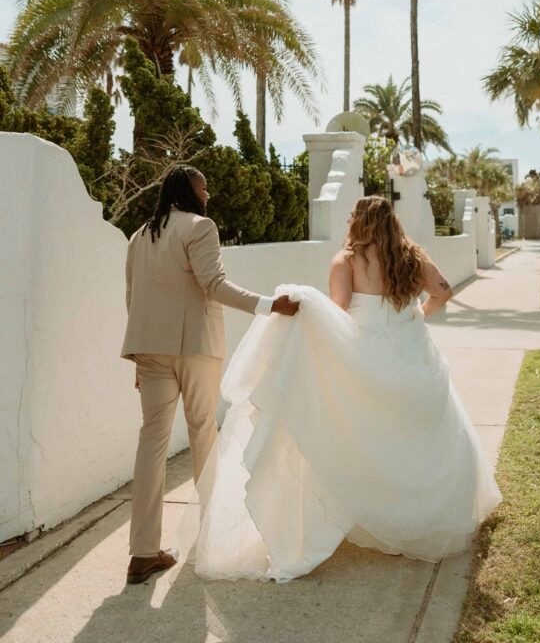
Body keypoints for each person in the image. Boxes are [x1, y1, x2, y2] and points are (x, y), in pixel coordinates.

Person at [182, 195, 502, 582]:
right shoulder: (413, 257)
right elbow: (444, 291)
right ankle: (416, 515)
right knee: (413, 434)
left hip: (365, 354)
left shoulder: (347, 261)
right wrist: (416, 315)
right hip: (411, 351)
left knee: (362, 435)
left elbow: (336, 314)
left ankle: (367, 507)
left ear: (359, 223)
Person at [121, 164, 298, 585]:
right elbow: (213, 284)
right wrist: (269, 304)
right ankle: (212, 534)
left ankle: (142, 553)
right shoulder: (201, 227)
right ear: (188, 190)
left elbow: (133, 296)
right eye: (204, 187)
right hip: (195, 348)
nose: (208, 194)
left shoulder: (138, 236)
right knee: (203, 431)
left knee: (151, 443)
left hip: (150, 350)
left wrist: (141, 357)